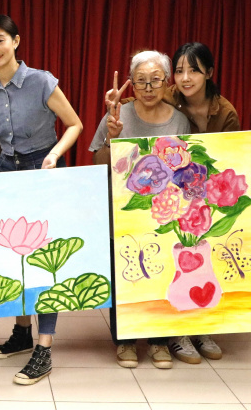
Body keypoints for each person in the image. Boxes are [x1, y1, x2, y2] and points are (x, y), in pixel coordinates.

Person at [0, 14, 83, 385]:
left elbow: (75, 124)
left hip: (45, 169)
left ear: (16, 41)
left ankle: (44, 347)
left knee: (44, 260)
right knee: (13, 257)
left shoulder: (40, 80)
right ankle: (21, 333)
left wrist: (54, 156)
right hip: (6, 170)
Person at [90, 49, 191, 369]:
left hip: (164, 211)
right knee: (126, 276)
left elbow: (188, 166)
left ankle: (159, 341)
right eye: (140, 81)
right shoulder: (117, 114)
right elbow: (98, 165)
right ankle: (125, 342)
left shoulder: (180, 119)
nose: (148, 88)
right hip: (123, 213)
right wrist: (112, 137)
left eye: (155, 80)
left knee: (161, 274)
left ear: (167, 82)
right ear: (131, 83)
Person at [165, 42, 239, 364]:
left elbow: (231, 158)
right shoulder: (167, 97)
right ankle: (176, 333)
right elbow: (135, 103)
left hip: (210, 195)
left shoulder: (225, 112)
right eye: (179, 70)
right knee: (177, 261)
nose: (185, 77)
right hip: (171, 192)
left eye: (193, 69)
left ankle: (202, 327)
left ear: (209, 72)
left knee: (206, 260)